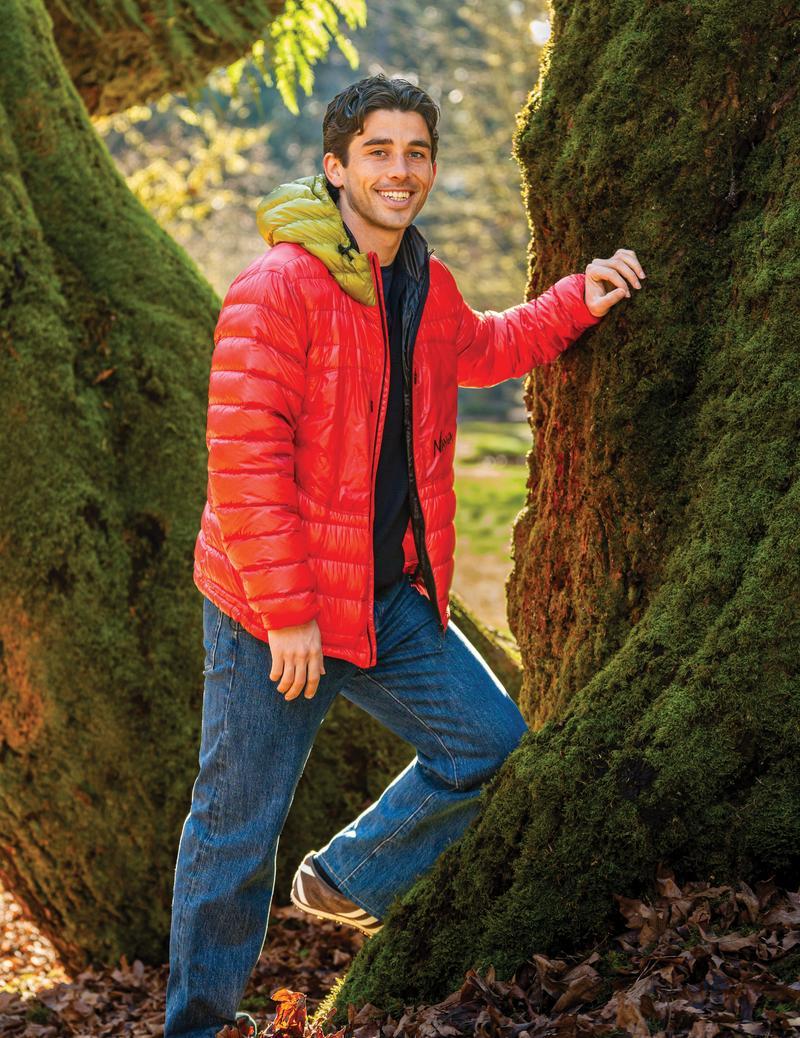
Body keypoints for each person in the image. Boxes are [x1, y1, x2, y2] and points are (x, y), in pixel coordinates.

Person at [165, 73, 645, 1038]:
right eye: (378, 152)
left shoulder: (422, 280)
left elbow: (482, 348)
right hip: (271, 611)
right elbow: (245, 460)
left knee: (490, 747)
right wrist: (291, 614)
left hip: (388, 599)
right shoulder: (277, 287)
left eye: (415, 152)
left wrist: (576, 301)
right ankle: (196, 1027)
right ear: (336, 167)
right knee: (232, 832)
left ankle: (348, 876)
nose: (400, 170)